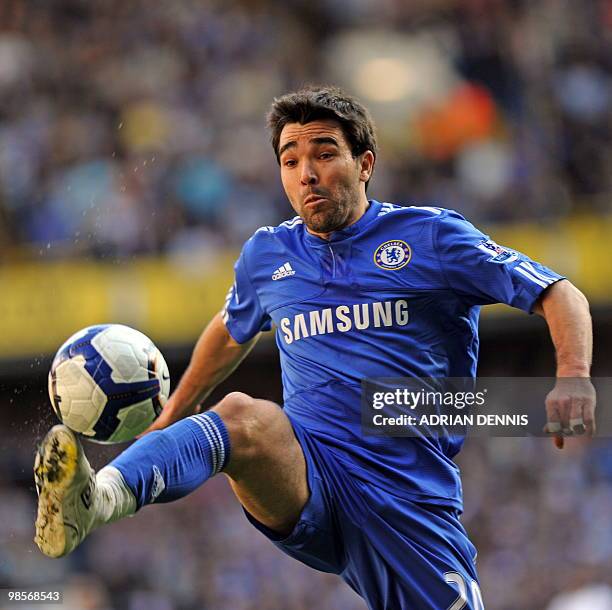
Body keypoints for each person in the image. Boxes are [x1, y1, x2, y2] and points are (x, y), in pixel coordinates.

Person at [34, 86, 596, 610]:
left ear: (365, 163)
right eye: (290, 160)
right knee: (241, 418)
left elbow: (557, 291)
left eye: (324, 154)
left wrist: (572, 372)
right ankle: (99, 498)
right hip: (310, 475)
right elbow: (231, 329)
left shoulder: (431, 237)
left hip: (406, 498)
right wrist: (171, 417)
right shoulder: (267, 255)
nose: (307, 174)